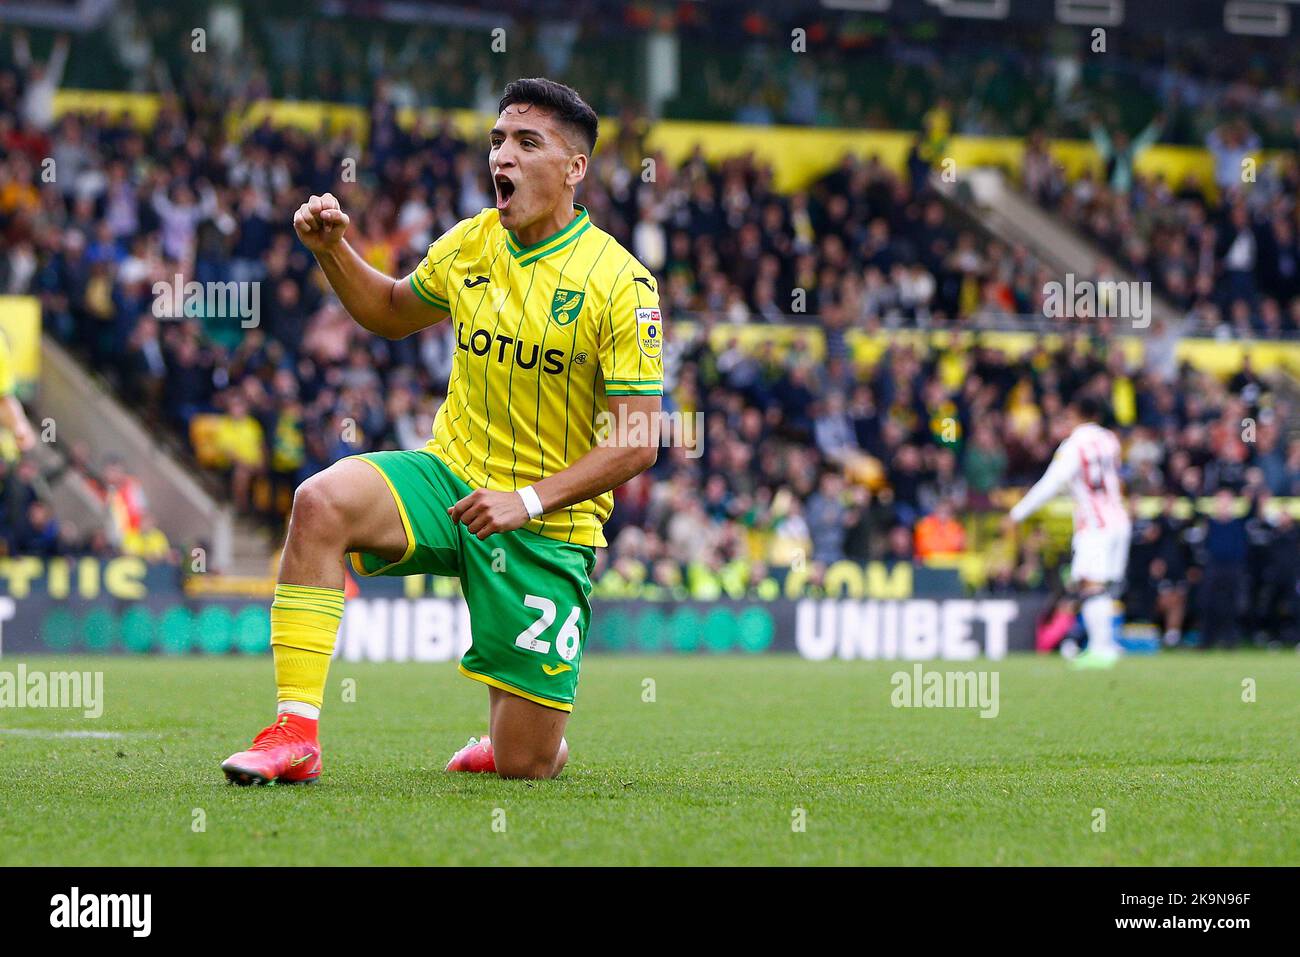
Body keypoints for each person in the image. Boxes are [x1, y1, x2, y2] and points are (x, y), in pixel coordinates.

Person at [221, 78, 663, 784]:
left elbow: (640, 438)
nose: (503, 158)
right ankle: (294, 733)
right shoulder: (471, 243)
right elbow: (392, 311)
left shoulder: (622, 283)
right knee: (319, 501)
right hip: (449, 479)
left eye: (526, 142)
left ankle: (530, 741)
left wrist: (528, 500)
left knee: (525, 766)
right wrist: (333, 251)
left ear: (575, 168)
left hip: (545, 530)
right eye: (497, 141)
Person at [1006, 396, 1130, 668]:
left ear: (1076, 415)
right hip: (1118, 518)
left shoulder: (1074, 445)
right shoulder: (1110, 440)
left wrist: (1017, 513)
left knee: (1090, 583)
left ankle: (1102, 649)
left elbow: (1052, 483)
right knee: (1102, 587)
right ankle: (1107, 644)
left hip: (1095, 523)